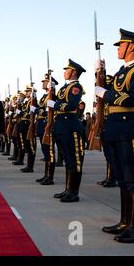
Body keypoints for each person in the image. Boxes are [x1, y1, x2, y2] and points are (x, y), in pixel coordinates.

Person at [95, 29, 134, 243]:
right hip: (116, 131)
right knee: (122, 180)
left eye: (121, 45)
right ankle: (124, 222)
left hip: (131, 130)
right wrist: (100, 73)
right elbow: (109, 87)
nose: (118, 48)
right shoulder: (121, 72)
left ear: (131, 47)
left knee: (133, 180)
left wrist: (105, 93)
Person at [48, 59, 86, 203]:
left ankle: (74, 192)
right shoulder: (65, 88)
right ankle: (68, 189)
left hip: (70, 126)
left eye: (67, 70)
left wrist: (55, 104)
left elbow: (71, 105)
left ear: (74, 72)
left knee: (74, 160)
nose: (65, 72)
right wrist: (52, 93)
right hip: (61, 127)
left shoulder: (76, 87)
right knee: (68, 160)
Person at [36, 74, 59, 185]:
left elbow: (53, 108)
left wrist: (41, 112)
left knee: (50, 151)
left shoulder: (53, 95)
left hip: (49, 123)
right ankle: (46, 175)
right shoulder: (44, 96)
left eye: (45, 81)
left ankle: (50, 177)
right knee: (46, 151)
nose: (43, 83)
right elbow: (41, 108)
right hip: (43, 124)